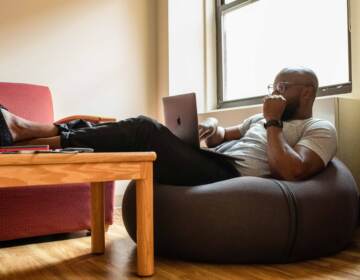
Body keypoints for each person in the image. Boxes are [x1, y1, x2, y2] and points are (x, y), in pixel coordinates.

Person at [0, 67, 336, 185]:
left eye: (283, 87)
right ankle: (28, 131)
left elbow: (290, 171)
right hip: (215, 160)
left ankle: (24, 131)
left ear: (306, 92)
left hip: (229, 176)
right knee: (112, 128)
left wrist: (273, 121)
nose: (274, 93)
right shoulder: (257, 119)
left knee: (143, 129)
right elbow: (224, 137)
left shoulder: (319, 128)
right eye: (273, 86)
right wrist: (210, 129)